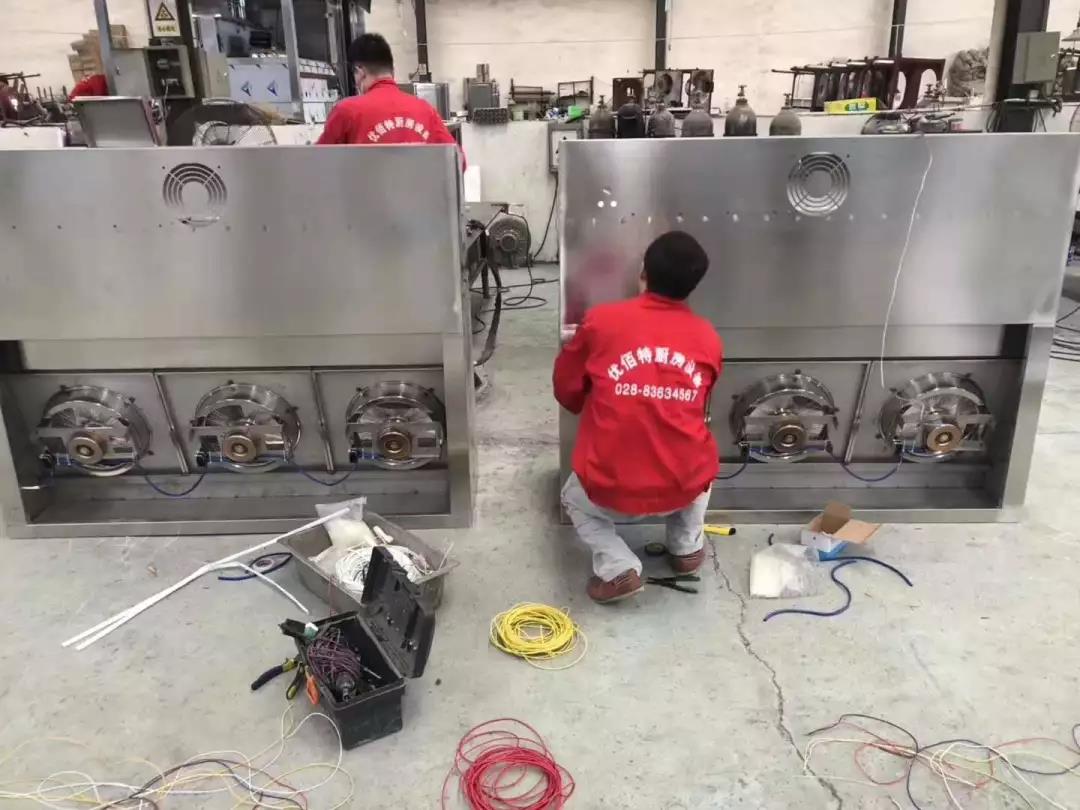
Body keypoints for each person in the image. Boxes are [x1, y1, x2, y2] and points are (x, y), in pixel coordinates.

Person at [554, 231, 723, 603]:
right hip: (683, 484)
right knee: (702, 463)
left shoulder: (602, 321)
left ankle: (618, 568)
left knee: (572, 497)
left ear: (643, 271)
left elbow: (567, 391)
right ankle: (687, 548)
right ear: (694, 284)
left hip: (609, 487)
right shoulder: (708, 337)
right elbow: (698, 401)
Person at [317, 33, 463, 165]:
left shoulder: (346, 111)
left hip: (365, 187)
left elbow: (317, 164)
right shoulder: (425, 109)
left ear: (360, 71)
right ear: (392, 70)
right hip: (419, 187)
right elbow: (458, 162)